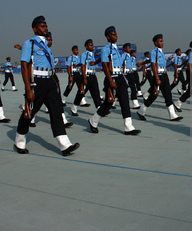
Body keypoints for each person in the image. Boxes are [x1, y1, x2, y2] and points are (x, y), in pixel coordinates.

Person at [14, 16, 79, 156]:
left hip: (50, 81)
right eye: (42, 26)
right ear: (34, 28)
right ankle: (19, 139)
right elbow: (24, 67)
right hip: (37, 82)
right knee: (29, 113)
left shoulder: (46, 47)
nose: (46, 28)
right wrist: (28, 89)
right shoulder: (29, 44)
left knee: (56, 111)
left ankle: (64, 144)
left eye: (46, 26)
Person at [88, 26, 141, 135]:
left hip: (120, 76)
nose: (116, 35)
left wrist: (95, 62)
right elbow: (105, 64)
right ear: (108, 37)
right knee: (108, 103)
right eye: (113, 34)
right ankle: (93, 121)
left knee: (125, 101)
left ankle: (128, 127)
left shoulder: (116, 50)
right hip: (112, 77)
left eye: (116, 33)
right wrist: (110, 80)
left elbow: (105, 59)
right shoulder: (105, 49)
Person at [137, 34, 183, 121]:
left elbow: (150, 60)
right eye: (160, 41)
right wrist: (157, 78)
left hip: (164, 75)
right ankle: (141, 111)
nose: (162, 42)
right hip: (158, 75)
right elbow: (153, 65)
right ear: (156, 42)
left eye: (162, 41)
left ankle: (172, 115)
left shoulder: (161, 52)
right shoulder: (153, 52)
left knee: (168, 94)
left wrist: (142, 63)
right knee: (154, 96)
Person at [70, 39, 102, 116]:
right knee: (81, 93)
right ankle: (74, 107)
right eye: (90, 45)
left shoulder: (92, 55)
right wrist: (84, 78)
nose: (92, 46)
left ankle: (99, 108)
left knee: (96, 93)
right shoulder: (85, 55)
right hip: (87, 76)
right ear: (86, 46)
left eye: (92, 44)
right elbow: (83, 66)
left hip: (93, 76)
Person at [121, 43, 141, 109]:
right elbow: (120, 63)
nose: (130, 49)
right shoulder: (123, 55)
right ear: (125, 49)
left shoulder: (130, 56)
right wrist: (122, 72)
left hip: (131, 73)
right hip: (125, 74)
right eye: (128, 48)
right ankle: (113, 101)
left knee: (133, 88)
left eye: (130, 48)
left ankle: (135, 104)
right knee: (122, 89)